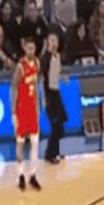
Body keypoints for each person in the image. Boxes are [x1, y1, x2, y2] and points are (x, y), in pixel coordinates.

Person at [11, 37, 42, 191]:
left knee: (35, 142)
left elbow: (36, 85)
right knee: (21, 143)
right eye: (28, 48)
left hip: (32, 108)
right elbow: (13, 87)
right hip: (21, 109)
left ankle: (33, 175)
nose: (30, 51)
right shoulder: (20, 66)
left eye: (32, 48)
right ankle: (20, 175)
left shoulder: (37, 63)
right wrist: (13, 110)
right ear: (24, 49)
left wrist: (39, 105)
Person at [41, 32, 67, 164]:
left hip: (56, 93)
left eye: (55, 41)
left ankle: (55, 152)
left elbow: (57, 73)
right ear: (47, 43)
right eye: (51, 41)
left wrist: (63, 76)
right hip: (48, 95)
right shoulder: (45, 58)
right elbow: (44, 72)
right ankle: (49, 154)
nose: (53, 43)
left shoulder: (57, 57)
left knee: (60, 123)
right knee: (55, 124)